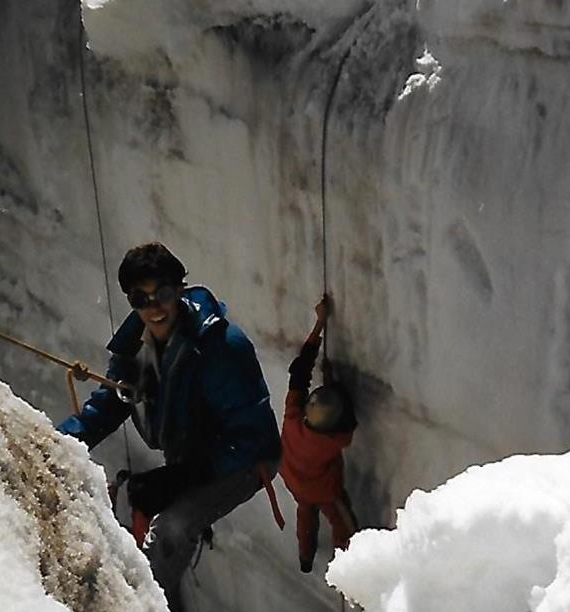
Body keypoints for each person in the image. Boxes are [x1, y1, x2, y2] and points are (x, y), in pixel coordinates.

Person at [57, 242, 281, 610]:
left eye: (162, 294)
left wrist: (187, 475)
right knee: (147, 515)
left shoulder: (222, 348)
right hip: (192, 454)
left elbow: (254, 437)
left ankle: (137, 606)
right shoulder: (135, 347)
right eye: (140, 299)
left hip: (245, 459)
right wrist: (57, 442)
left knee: (173, 527)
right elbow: (111, 403)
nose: (154, 307)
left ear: (179, 289)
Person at [279, 295, 358, 573]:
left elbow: (300, 371)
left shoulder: (293, 417)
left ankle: (305, 558)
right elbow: (349, 423)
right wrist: (333, 381)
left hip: (293, 480)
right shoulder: (335, 441)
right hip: (325, 491)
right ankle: (349, 569)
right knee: (344, 525)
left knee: (305, 513)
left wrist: (319, 323)